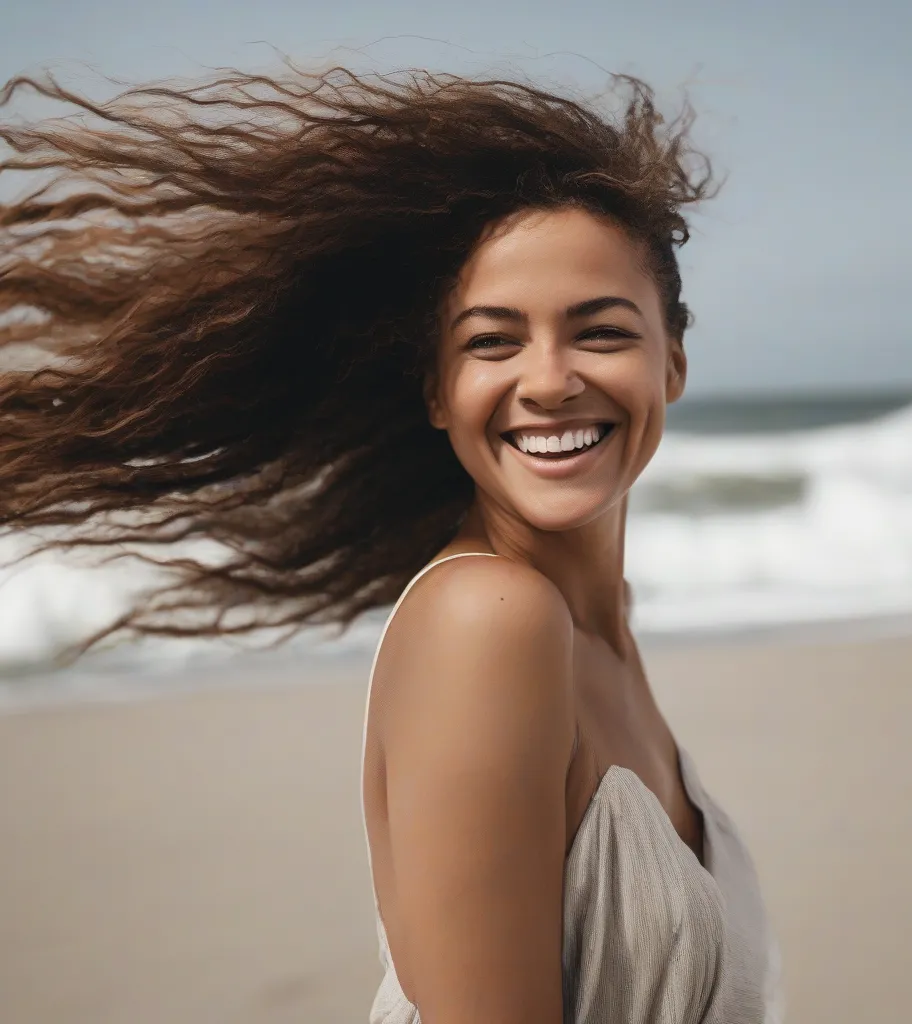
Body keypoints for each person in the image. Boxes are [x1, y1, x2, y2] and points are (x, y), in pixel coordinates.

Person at [0, 62, 783, 1022]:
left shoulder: (599, 625)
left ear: (673, 361)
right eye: (492, 342)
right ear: (434, 391)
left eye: (601, 331)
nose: (548, 380)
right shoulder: (490, 619)